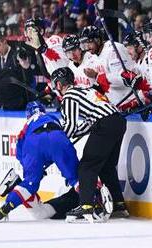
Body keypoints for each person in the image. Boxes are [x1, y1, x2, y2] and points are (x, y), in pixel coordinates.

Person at [51, 67, 127, 223]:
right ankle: (119, 205)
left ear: (59, 84)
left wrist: (58, 136)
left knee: (87, 166)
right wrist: (76, 132)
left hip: (104, 124)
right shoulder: (85, 90)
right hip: (118, 121)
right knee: (106, 167)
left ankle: (85, 205)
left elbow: (71, 127)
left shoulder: (69, 97)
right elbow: (88, 124)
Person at [0, 101, 79, 222]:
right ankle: (90, 204)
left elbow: (20, 154)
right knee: (75, 178)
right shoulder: (52, 116)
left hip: (33, 142)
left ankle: (7, 205)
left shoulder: (26, 126)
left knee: (29, 184)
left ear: (28, 114)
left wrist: (35, 170)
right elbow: (56, 145)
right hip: (56, 135)